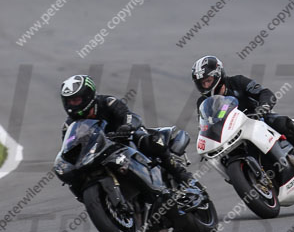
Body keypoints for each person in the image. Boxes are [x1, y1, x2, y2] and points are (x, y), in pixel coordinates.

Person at [60, 74, 195, 198]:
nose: (72, 105)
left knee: (148, 141)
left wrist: (127, 126)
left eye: (76, 100)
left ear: (88, 96)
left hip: (126, 138)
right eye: (69, 101)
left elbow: (129, 115)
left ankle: (180, 173)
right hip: (100, 153)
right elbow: (70, 147)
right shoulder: (69, 126)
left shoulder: (107, 102)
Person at [191, 56, 294, 165]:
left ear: (218, 75)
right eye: (202, 83)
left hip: (257, 119)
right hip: (230, 135)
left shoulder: (237, 81)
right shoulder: (202, 103)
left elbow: (265, 93)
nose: (206, 85)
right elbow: (204, 126)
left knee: (284, 124)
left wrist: (263, 107)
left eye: (208, 80)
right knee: (222, 160)